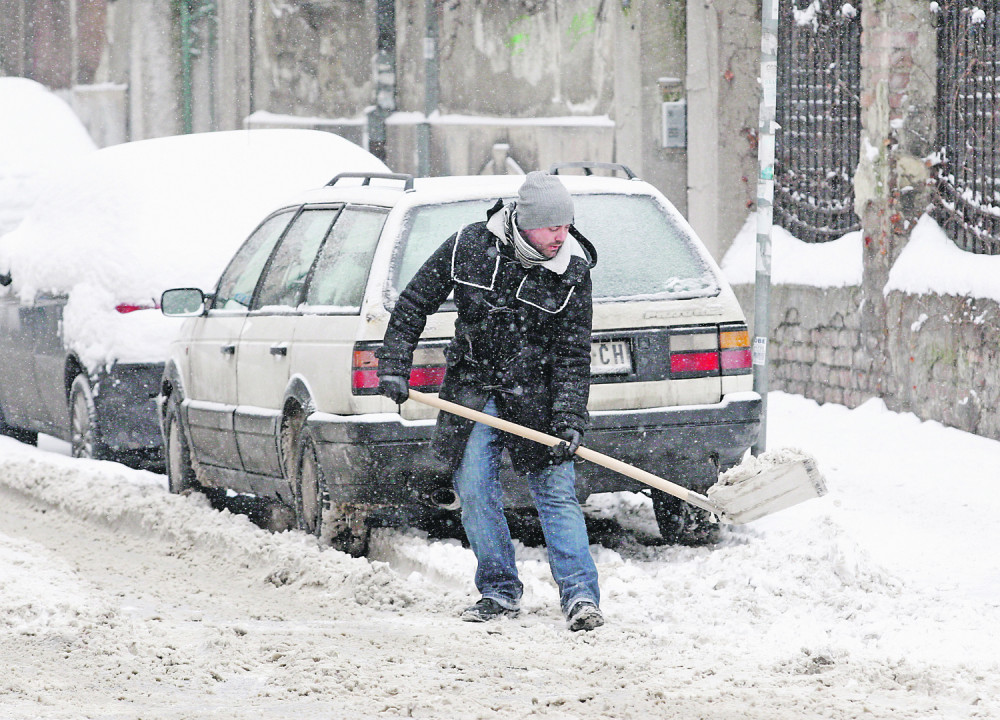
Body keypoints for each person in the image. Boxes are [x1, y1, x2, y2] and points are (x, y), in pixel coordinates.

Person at [376, 171, 603, 632]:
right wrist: (395, 364)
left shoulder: (572, 274)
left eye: (566, 225)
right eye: (551, 227)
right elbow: (414, 303)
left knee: (556, 493)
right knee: (476, 488)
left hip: (537, 398)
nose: (561, 236)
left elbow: (574, 354)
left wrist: (570, 417)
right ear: (523, 221)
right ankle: (498, 590)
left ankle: (581, 597)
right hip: (473, 390)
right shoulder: (469, 247)